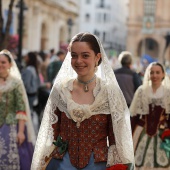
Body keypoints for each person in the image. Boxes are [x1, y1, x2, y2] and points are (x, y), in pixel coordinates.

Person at [31, 32, 135, 170]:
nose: (78, 61)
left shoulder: (109, 92)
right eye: (74, 55)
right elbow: (51, 132)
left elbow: (118, 139)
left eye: (85, 55)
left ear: (97, 57)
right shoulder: (61, 90)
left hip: (98, 164)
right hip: (62, 163)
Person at [130, 62, 170, 169]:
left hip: (162, 132)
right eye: (152, 72)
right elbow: (134, 116)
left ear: (163, 74)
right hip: (141, 131)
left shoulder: (168, 92)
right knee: (139, 163)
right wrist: (129, 136)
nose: (155, 75)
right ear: (148, 74)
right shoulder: (141, 91)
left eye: (158, 72)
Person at [0, 49, 35, 169]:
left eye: (3, 62)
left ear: (10, 64)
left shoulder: (16, 83)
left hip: (10, 125)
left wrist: (20, 132)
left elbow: (21, 108)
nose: (0, 64)